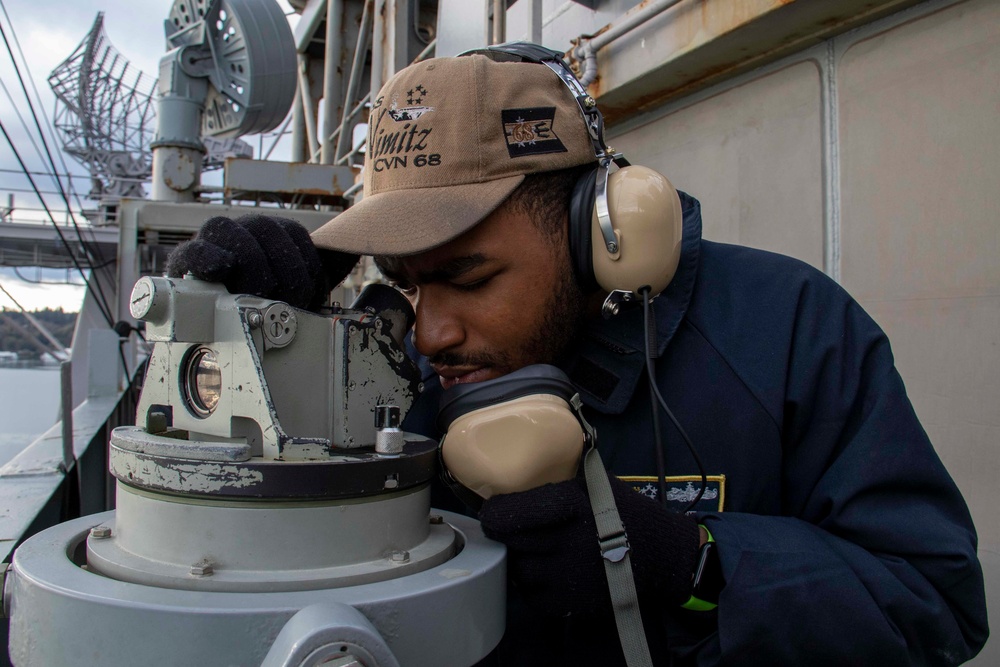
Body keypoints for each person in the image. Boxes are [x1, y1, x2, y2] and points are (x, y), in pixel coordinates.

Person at [167, 45, 989, 665]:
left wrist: (694, 567)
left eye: (467, 275)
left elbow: (935, 606)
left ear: (596, 231)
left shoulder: (791, 332)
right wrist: (257, 335)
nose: (430, 333)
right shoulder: (394, 358)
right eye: (407, 284)